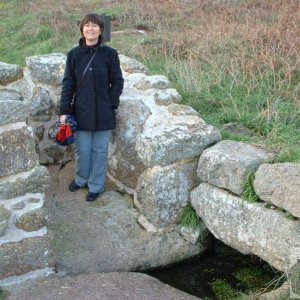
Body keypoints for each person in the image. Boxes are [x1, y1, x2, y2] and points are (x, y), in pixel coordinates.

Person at [60, 13, 124, 202]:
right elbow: (68, 84)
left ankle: (96, 185)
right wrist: (64, 111)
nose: (90, 28)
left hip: (104, 112)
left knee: (100, 151)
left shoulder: (110, 54)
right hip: (81, 112)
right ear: (82, 29)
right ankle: (81, 179)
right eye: (87, 25)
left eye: (95, 26)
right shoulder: (73, 54)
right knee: (82, 150)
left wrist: (111, 101)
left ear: (101, 30)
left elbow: (118, 81)